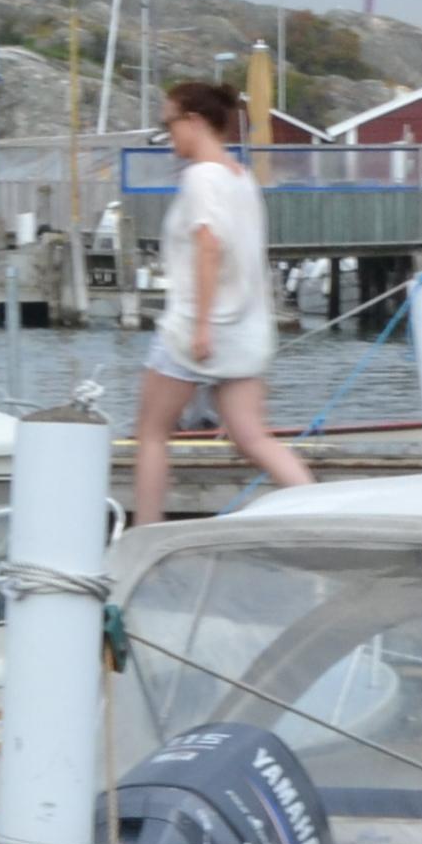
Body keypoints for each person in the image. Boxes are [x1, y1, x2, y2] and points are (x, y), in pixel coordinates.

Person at [137, 80, 312, 522]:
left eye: (169, 124)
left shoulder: (201, 177)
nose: (167, 135)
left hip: (198, 329)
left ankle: (144, 533)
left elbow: (209, 246)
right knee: (251, 437)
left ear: (194, 122)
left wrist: (199, 328)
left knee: (152, 434)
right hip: (245, 332)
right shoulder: (241, 176)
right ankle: (320, 512)